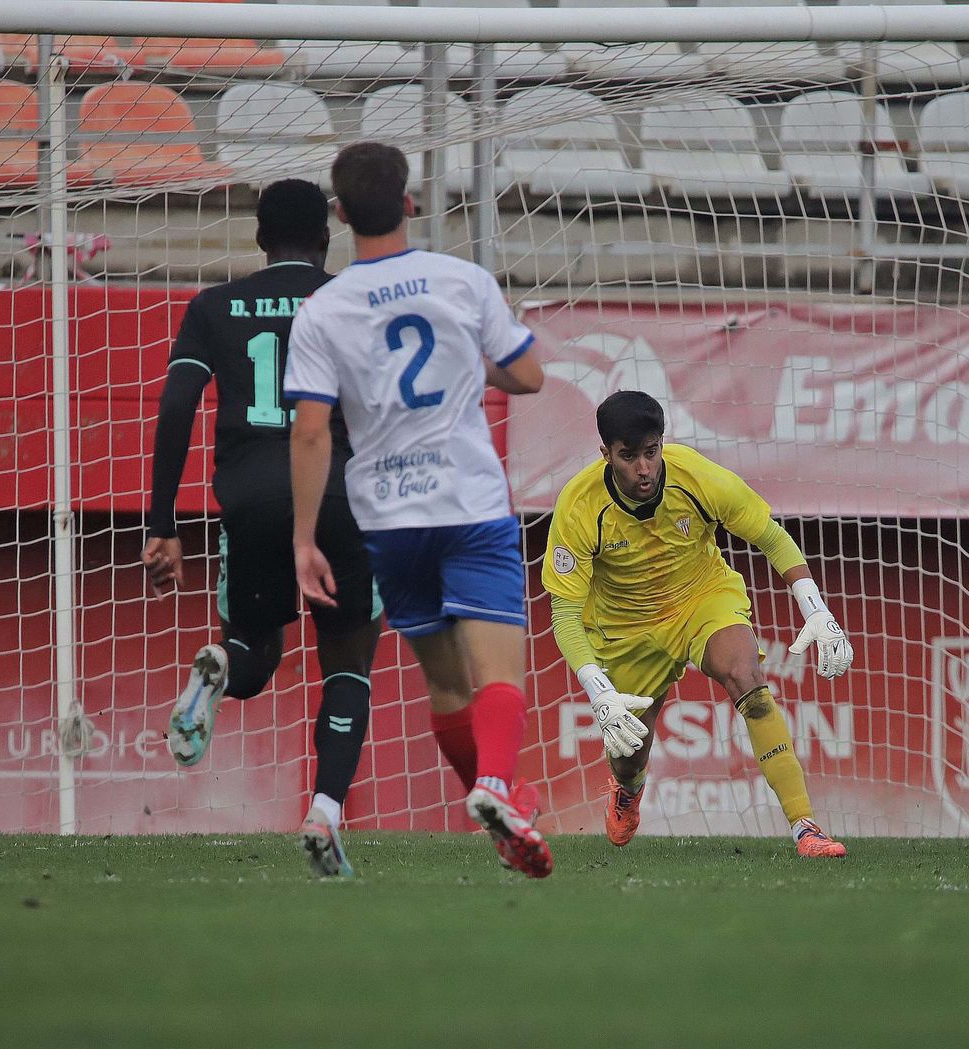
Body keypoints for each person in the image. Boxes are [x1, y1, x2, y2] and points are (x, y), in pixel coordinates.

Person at [283, 141, 552, 879]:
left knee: (446, 684)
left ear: (341, 214)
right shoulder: (462, 281)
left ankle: (498, 808)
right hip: (468, 502)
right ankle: (495, 786)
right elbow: (529, 375)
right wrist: (469, 363)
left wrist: (304, 539)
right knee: (499, 674)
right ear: (409, 203)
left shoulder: (323, 309)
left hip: (388, 519)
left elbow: (310, 432)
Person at [142, 178, 381, 879]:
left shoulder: (213, 306)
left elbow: (177, 404)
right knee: (347, 662)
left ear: (259, 238)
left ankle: (220, 666)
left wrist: (163, 523)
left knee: (252, 657)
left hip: (249, 495)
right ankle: (324, 813)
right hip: (337, 492)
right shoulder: (355, 302)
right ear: (328, 237)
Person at [542, 390, 854, 858]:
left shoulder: (697, 477)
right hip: (626, 629)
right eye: (628, 457)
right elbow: (565, 613)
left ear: (662, 443)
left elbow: (771, 537)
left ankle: (805, 828)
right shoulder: (579, 506)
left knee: (747, 678)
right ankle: (627, 791)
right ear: (605, 454)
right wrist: (598, 689)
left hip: (700, 598)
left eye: (651, 452)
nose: (644, 469)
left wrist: (816, 609)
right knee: (628, 755)